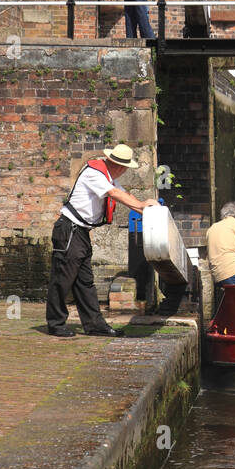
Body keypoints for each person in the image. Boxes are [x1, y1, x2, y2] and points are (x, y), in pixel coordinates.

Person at [48, 143, 159, 337]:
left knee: (85, 282)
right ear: (120, 166)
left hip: (80, 232)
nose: (124, 172)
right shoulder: (95, 174)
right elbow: (115, 194)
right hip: (69, 229)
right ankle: (56, 324)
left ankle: (94, 325)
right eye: (125, 168)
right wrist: (141, 205)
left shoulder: (107, 176)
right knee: (62, 278)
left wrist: (147, 209)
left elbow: (125, 195)